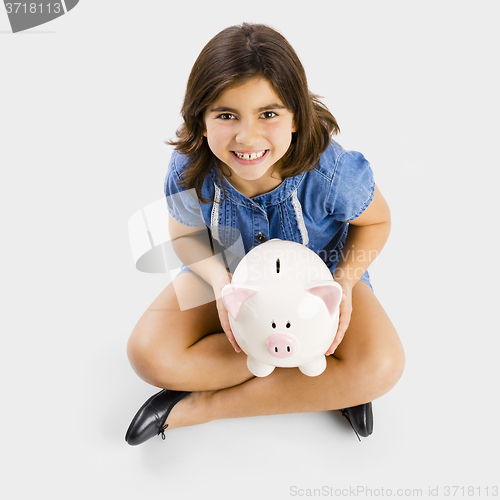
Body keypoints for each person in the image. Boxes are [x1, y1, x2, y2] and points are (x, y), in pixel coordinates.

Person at [125, 23, 405, 446]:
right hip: (230, 273)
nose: (247, 136)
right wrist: (220, 285)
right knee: (147, 353)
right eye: (226, 115)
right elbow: (184, 233)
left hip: (323, 276)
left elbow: (377, 222)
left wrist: (344, 283)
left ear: (296, 118)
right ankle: (320, 377)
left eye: (268, 114)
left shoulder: (332, 173)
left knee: (382, 366)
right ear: (201, 121)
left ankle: (199, 407)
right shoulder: (188, 168)